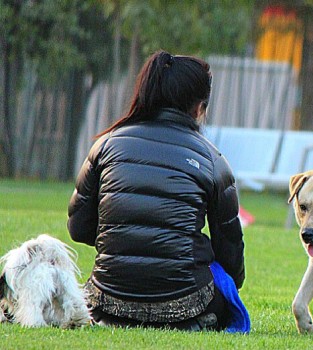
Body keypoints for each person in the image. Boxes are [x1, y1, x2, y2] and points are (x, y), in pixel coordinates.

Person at [67, 50, 248, 332]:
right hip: (187, 303)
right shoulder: (213, 160)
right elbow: (230, 251)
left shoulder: (105, 146)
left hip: (106, 300)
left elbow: (78, 229)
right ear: (200, 107)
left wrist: (124, 243)